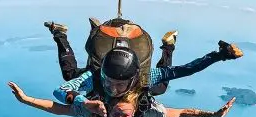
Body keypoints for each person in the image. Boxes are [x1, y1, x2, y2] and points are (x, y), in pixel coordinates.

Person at [44, 19, 244, 106]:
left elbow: (186, 70)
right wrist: (218, 56)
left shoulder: (143, 77)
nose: (113, 89)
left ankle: (61, 34)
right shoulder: (95, 76)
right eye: (110, 82)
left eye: (119, 84)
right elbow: (186, 70)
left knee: (70, 75)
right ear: (103, 72)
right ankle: (168, 44)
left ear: (132, 79)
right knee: (161, 86)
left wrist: (219, 56)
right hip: (113, 71)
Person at [7, 81, 236, 117]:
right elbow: (57, 108)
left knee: (159, 87)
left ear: (134, 112)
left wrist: (213, 116)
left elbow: (184, 113)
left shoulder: (147, 114)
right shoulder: (98, 112)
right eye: (117, 114)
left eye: (124, 115)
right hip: (98, 102)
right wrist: (25, 99)